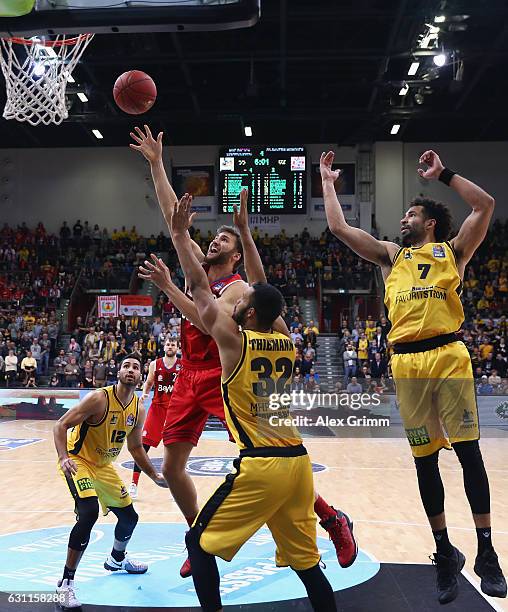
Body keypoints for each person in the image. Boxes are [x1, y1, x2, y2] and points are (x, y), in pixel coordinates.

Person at [321, 148, 506, 602]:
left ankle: (486, 552)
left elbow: (484, 206)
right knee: (425, 462)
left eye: (411, 214)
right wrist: (327, 182)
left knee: (467, 455)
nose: (403, 219)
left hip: (448, 355)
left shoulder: (452, 251)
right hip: (406, 362)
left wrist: (444, 174)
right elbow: (340, 228)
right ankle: (444, 552)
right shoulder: (390, 258)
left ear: (430, 224)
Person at [167, 192, 338, 611]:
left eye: (240, 302)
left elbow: (201, 289)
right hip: (299, 464)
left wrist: (177, 232)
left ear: (244, 315)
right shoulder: (287, 342)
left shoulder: (231, 341)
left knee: (198, 543)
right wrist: (243, 231)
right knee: (307, 565)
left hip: (261, 465)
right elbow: (264, 294)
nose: (238, 299)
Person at [53, 354, 167, 608]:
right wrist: (62, 458)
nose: (130, 370)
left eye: (136, 367)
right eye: (126, 365)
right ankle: (66, 583)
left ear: (140, 377)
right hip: (78, 460)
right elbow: (60, 425)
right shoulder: (99, 398)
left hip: (104, 467)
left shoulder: (138, 408)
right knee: (89, 512)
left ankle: (116, 559)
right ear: (119, 372)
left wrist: (155, 476)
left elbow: (136, 448)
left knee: (130, 518)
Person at [129, 338, 181, 499]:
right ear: (164, 346)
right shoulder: (155, 364)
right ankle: (133, 484)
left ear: (177, 348)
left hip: (175, 410)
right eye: (168, 344)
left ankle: (175, 486)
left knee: (175, 450)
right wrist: (145, 392)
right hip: (157, 409)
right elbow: (149, 382)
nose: (170, 347)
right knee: (142, 447)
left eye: (173, 345)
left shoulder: (183, 365)